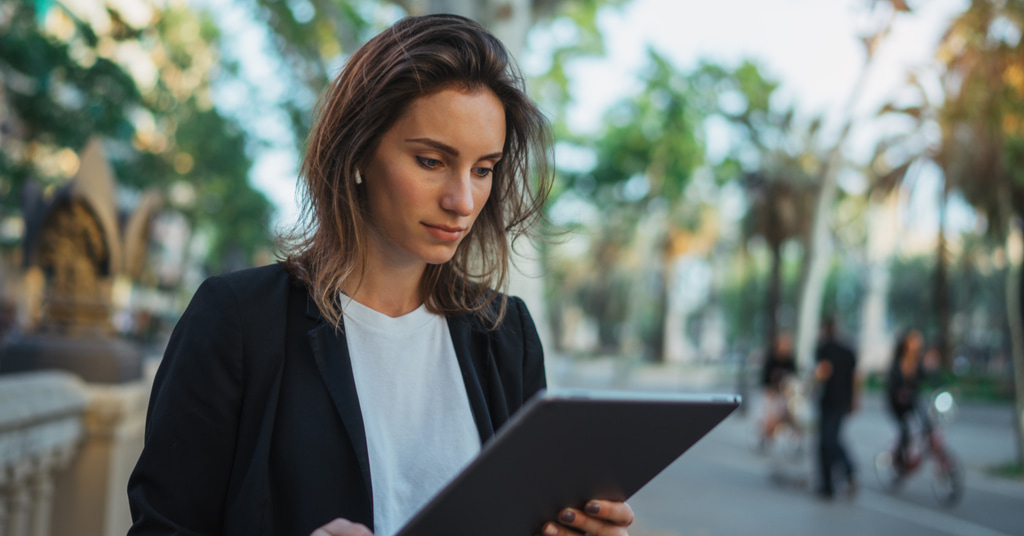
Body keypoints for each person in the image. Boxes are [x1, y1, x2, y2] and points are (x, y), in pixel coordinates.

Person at [127, 14, 634, 536]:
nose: (462, 201)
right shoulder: (236, 321)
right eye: (432, 161)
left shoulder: (507, 335)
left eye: (483, 169)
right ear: (360, 152)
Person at [813, 316, 859, 499]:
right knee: (833, 439)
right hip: (842, 401)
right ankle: (844, 473)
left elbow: (822, 373)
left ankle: (831, 481)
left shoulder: (824, 349)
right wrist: (855, 399)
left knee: (826, 441)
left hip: (830, 400)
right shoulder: (848, 351)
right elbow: (856, 377)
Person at [885, 329, 933, 470]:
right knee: (905, 430)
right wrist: (899, 393)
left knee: (928, 424)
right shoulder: (898, 362)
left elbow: (929, 377)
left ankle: (922, 453)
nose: (917, 343)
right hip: (897, 403)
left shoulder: (919, 362)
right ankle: (900, 460)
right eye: (913, 340)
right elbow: (892, 384)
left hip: (912, 399)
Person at [759, 331, 798, 451]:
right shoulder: (772, 359)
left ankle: (795, 439)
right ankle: (766, 438)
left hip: (786, 394)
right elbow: (765, 381)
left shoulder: (790, 361)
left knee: (792, 415)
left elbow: (794, 378)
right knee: (771, 416)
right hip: (772, 393)